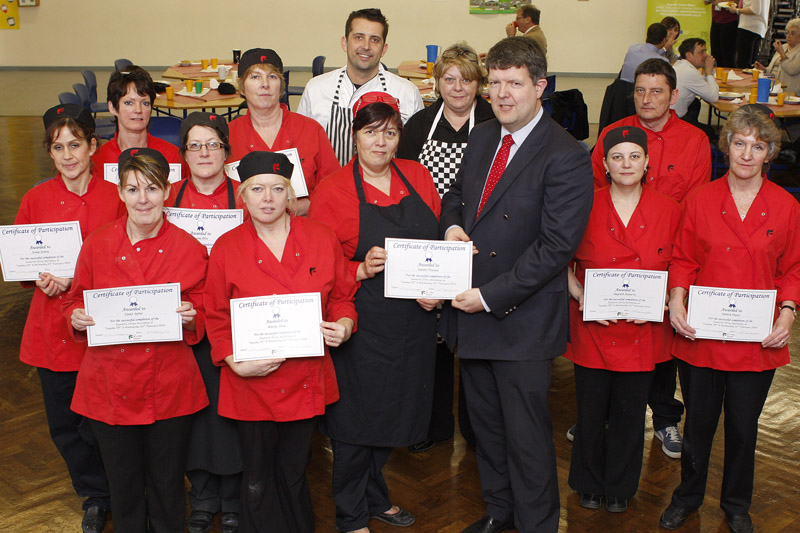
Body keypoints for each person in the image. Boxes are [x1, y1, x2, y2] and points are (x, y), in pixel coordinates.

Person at [440, 36, 593, 533]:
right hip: (472, 313)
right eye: (497, 84)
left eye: (515, 84)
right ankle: (498, 511)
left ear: (540, 87)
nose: (503, 95)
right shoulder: (484, 135)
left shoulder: (566, 155)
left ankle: (537, 523)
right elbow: (459, 195)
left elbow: (555, 249)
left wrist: (488, 296)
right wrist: (452, 226)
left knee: (526, 436)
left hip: (519, 317)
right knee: (485, 429)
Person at [659, 105, 800, 533]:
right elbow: (683, 258)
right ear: (728, 146)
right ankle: (687, 497)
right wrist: (677, 300)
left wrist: (789, 312)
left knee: (743, 427)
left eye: (757, 146)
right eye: (739, 143)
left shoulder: (786, 206)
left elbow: (792, 269)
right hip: (702, 333)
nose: (746, 154)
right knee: (698, 424)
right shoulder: (701, 199)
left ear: (769, 153)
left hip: (756, 340)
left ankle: (737, 503)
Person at [309, 93, 441, 533]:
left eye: (390, 132)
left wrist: (436, 290)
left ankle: (375, 496)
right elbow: (319, 268)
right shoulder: (334, 190)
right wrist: (359, 268)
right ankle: (349, 514)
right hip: (361, 323)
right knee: (355, 424)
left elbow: (435, 250)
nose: (381, 143)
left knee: (396, 416)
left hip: (414, 325)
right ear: (354, 136)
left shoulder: (419, 177)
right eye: (370, 132)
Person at [204, 151, 357, 533]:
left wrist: (344, 323)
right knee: (256, 474)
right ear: (242, 196)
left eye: (277, 189)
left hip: (305, 375)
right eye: (257, 189)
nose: (267, 198)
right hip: (251, 380)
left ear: (290, 196)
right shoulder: (226, 247)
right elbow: (216, 314)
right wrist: (232, 359)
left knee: (294, 469)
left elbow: (341, 296)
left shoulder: (321, 237)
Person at [64, 148, 209, 533]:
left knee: (167, 485)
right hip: (110, 385)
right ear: (120, 193)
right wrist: (76, 316)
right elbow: (76, 299)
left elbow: (206, 305)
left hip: (169, 383)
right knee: (123, 488)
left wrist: (194, 315)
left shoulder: (189, 247)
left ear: (166, 190)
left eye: (151, 188)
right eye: (132, 189)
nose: (142, 198)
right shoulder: (97, 244)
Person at [592, 58, 711, 459]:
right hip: (610, 258)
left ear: (674, 95)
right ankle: (600, 415)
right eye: (640, 90)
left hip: (664, 258)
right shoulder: (612, 133)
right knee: (605, 339)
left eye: (656, 91)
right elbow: (595, 196)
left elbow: (693, 209)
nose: (647, 98)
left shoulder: (694, 141)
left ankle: (664, 419)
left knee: (661, 348)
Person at [14, 104, 121, 533]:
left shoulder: (115, 197)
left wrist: (80, 277)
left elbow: (127, 258)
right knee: (66, 424)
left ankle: (122, 484)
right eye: (58, 147)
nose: (68, 154)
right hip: (52, 330)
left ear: (93, 146)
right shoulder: (35, 199)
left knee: (105, 420)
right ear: (50, 153)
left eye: (75, 144)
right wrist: (37, 277)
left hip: (102, 327)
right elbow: (22, 264)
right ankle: (94, 494)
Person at [566, 126, 680, 515]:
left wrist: (667, 297)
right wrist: (580, 294)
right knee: (591, 410)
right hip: (593, 325)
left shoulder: (670, 209)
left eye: (634, 156)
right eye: (617, 156)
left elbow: (680, 265)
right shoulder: (584, 203)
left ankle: (620, 487)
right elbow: (560, 257)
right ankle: (588, 482)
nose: (626, 164)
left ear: (647, 162)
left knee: (631, 413)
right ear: (604, 163)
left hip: (643, 329)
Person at [397, 41, 493, 452]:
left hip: (479, 242)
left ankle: (476, 429)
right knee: (431, 340)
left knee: (472, 339)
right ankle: (431, 425)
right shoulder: (419, 125)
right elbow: (402, 182)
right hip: (428, 244)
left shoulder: (492, 122)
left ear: (479, 85)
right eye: (449, 79)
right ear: (436, 84)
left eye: (466, 80)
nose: (457, 88)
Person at [170, 112, 243, 533]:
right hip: (184, 323)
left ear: (226, 152)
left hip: (232, 321)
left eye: (213, 144)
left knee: (229, 414)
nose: (204, 153)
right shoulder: (166, 197)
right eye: (195, 145)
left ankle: (232, 496)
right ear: (183, 154)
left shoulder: (246, 196)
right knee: (194, 415)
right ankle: (202, 496)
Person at [297, 8, 424, 165]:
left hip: (386, 187)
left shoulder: (407, 92)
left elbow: (416, 153)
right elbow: (302, 146)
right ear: (345, 43)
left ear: (384, 49)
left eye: (375, 39)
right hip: (329, 186)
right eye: (358, 37)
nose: (366, 46)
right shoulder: (316, 88)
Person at [228, 48, 340, 215]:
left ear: (281, 87)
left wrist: (307, 205)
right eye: (255, 77)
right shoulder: (228, 135)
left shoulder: (310, 130)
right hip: (246, 230)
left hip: (303, 225)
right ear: (242, 88)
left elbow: (334, 186)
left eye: (272, 77)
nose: (264, 84)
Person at [92, 65, 182, 181]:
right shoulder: (98, 159)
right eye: (129, 103)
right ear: (112, 107)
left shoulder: (173, 155)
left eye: (145, 103)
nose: (138, 110)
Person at [672, 38, 718, 137]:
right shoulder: (690, 72)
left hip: (669, 114)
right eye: (702, 52)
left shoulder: (681, 65)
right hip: (673, 120)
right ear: (689, 55)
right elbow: (713, 97)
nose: (706, 55)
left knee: (695, 102)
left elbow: (704, 85)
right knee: (709, 131)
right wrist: (709, 72)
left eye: (705, 51)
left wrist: (707, 72)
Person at [755, 18, 800, 94]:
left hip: (788, 91)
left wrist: (782, 53)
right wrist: (764, 69)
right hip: (772, 85)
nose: (788, 36)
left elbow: (792, 70)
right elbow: (774, 70)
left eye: (792, 33)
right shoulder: (784, 47)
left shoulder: (785, 50)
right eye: (787, 33)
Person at [726, 0, 770, 68]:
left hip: (748, 26)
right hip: (758, 27)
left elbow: (755, 10)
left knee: (744, 64)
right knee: (751, 64)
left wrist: (736, 10)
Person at [704, 0, 739, 68]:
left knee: (728, 56)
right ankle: (717, 76)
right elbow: (706, 2)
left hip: (730, 21)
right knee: (715, 54)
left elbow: (738, 2)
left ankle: (730, 76)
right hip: (716, 21)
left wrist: (719, 1)